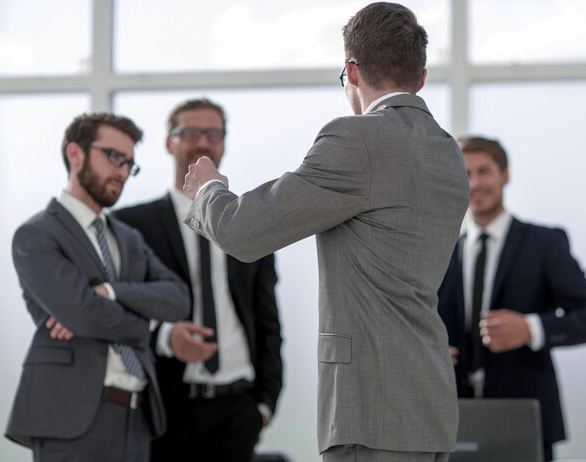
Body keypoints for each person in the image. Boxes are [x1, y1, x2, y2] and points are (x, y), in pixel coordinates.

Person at [182, 3, 469, 462]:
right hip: (429, 404)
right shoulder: (447, 151)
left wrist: (209, 189)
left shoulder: (356, 139)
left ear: (351, 71)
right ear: (420, 77)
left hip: (371, 407)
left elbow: (243, 232)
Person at [4, 113, 209, 462]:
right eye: (114, 157)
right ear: (75, 153)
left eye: (129, 163)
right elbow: (84, 314)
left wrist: (112, 293)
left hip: (138, 417)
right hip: (71, 416)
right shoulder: (37, 234)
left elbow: (178, 298)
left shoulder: (128, 238)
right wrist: (150, 327)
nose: (122, 172)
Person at [114, 98, 283, 462]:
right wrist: (163, 337)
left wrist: (265, 403)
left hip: (238, 408)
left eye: (212, 134)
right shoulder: (131, 226)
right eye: (190, 133)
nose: (203, 142)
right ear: (168, 142)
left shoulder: (248, 221)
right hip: (163, 409)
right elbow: (114, 310)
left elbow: (267, 318)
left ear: (224, 142)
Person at [437, 135, 586, 462]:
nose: (474, 183)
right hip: (451, 418)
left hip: (525, 417)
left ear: (505, 175)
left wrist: (531, 329)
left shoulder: (544, 243)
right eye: (465, 172)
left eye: (484, 171)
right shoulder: (440, 252)